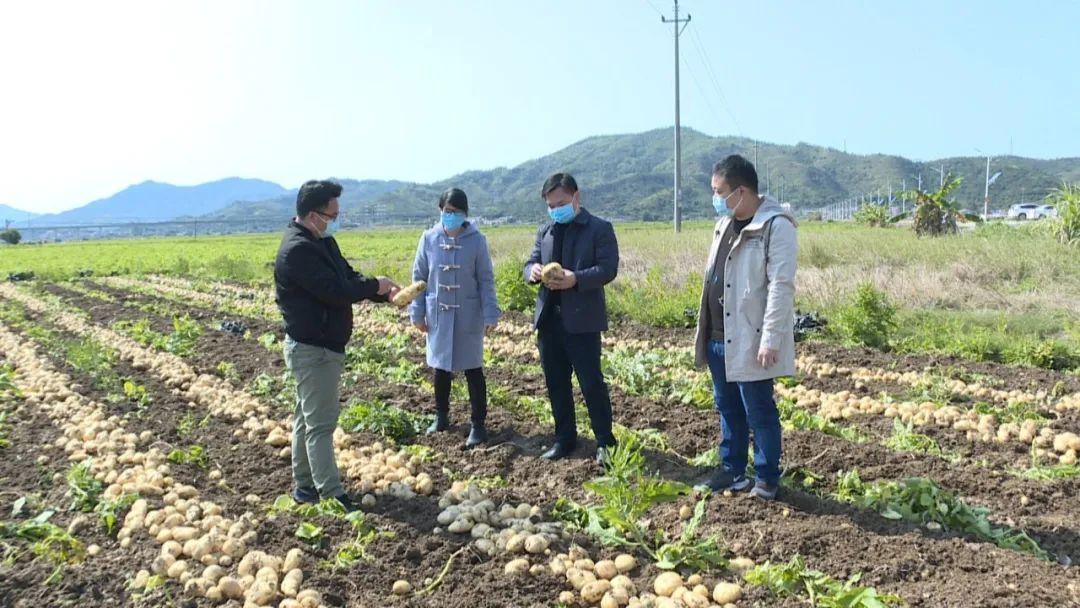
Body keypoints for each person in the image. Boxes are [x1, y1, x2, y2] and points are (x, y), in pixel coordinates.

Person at [274, 179, 399, 512]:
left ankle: (304, 487)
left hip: (323, 346)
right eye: (331, 214)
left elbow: (347, 277)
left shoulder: (322, 242)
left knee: (306, 417)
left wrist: (381, 293)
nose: (334, 220)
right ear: (313, 213)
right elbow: (334, 290)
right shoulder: (297, 250)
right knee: (321, 424)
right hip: (313, 349)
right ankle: (330, 493)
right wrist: (376, 284)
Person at [694, 155, 797, 501]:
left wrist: (771, 338)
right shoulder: (724, 224)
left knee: (759, 410)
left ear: (740, 191)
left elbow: (781, 286)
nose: (715, 198)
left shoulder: (775, 226)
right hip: (718, 336)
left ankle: (766, 477)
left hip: (751, 338)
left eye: (718, 191)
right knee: (727, 407)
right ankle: (732, 470)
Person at [525, 172, 619, 465]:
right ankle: (564, 438)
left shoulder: (599, 229)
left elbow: (607, 269)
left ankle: (605, 441)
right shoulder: (546, 231)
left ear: (577, 197)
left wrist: (575, 279)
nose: (556, 210)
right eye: (551, 205)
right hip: (549, 321)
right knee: (556, 383)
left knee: (591, 383)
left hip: (582, 321)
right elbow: (529, 262)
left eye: (561, 203)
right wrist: (532, 272)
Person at [409, 188, 501, 448]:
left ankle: (478, 425)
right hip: (438, 312)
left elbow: (485, 279)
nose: (451, 216)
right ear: (440, 211)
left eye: (457, 212)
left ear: (465, 214)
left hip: (468, 313)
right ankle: (441, 416)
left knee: (473, 370)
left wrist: (490, 312)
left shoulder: (476, 240)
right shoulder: (428, 239)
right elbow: (419, 279)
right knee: (440, 368)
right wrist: (416, 312)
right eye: (447, 211)